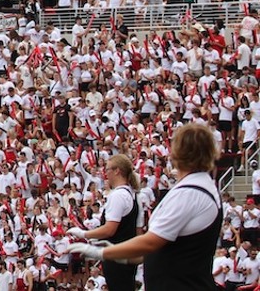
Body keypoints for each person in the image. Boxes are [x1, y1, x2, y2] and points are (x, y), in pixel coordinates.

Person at [70, 123, 223, 291]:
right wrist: (122, 255)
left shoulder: (189, 193)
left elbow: (151, 242)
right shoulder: (201, 186)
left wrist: (101, 253)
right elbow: (164, 246)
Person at [69, 153, 142, 291]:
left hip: (116, 254)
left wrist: (84, 234)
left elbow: (110, 229)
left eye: (107, 169)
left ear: (117, 171)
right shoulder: (131, 194)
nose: (105, 173)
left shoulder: (118, 195)